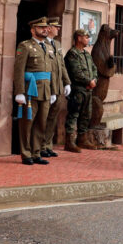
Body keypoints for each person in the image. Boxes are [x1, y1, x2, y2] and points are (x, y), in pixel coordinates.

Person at [13, 17, 55, 165]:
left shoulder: (49, 47)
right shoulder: (25, 46)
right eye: (41, 27)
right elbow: (19, 70)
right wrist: (19, 91)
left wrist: (54, 91)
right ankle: (26, 154)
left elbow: (52, 71)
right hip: (31, 90)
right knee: (27, 123)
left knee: (41, 123)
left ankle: (36, 153)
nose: (45, 29)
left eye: (46, 27)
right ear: (33, 30)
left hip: (46, 90)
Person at [41, 17, 71, 158]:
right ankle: (40, 146)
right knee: (44, 117)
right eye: (55, 26)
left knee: (53, 118)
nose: (58, 29)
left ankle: (47, 144)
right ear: (49, 28)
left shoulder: (57, 44)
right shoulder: (43, 43)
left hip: (58, 86)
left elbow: (62, 65)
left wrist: (67, 82)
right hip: (48, 86)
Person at [64, 29, 98, 152]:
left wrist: (94, 80)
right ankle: (69, 142)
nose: (88, 39)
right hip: (78, 90)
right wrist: (88, 81)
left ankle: (82, 139)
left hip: (88, 90)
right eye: (86, 37)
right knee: (74, 115)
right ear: (79, 38)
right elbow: (76, 72)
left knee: (86, 115)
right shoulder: (72, 54)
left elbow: (94, 69)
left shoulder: (87, 54)